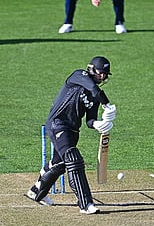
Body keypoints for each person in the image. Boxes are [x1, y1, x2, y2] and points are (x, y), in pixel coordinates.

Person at [26, 56, 117, 214]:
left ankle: (36, 192)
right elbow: (94, 88)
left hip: (73, 131)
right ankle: (86, 204)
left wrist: (99, 124)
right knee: (74, 159)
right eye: (100, 73)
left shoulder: (94, 97)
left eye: (105, 74)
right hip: (58, 124)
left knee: (59, 164)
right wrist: (107, 104)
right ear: (91, 69)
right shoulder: (78, 76)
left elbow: (90, 120)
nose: (102, 77)